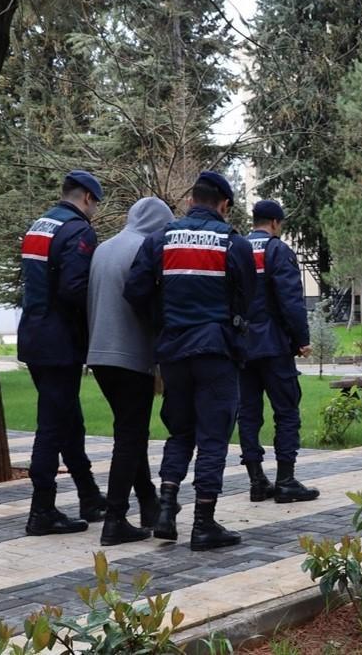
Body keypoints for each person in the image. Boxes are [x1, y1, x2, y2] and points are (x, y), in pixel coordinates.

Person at [125, 171, 256, 551]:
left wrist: (164, 321)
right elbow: (248, 299)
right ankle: (203, 523)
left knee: (180, 432)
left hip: (175, 353)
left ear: (189, 201)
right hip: (216, 350)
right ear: (224, 204)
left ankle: (166, 512)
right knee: (213, 436)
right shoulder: (233, 242)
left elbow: (134, 290)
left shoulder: (160, 240)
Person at [18, 170, 108, 536]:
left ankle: (89, 495)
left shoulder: (40, 225)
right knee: (53, 426)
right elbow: (75, 288)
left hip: (36, 335)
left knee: (69, 420)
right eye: (95, 204)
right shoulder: (77, 230)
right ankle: (42, 509)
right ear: (87, 197)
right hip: (60, 340)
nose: (95, 212)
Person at [87, 197, 175, 546]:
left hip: (99, 354)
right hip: (130, 354)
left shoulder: (105, 247)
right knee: (129, 437)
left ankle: (149, 504)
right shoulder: (146, 248)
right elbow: (149, 304)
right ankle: (115, 519)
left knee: (130, 430)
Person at [237, 200, 320, 503]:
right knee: (286, 411)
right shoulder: (277, 250)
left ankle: (257, 481)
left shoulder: (237, 248)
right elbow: (290, 300)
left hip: (242, 347)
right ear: (274, 223)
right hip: (273, 346)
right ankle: (286, 480)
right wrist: (302, 338)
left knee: (248, 414)